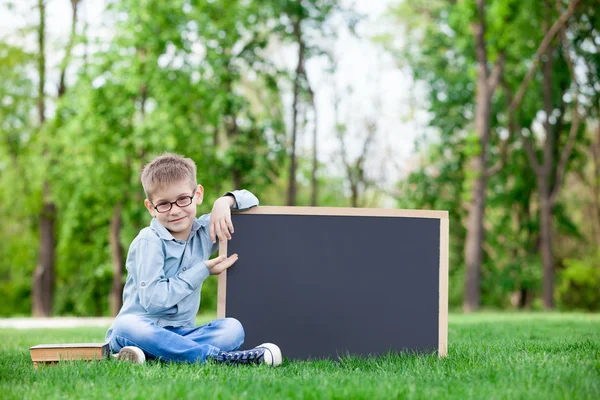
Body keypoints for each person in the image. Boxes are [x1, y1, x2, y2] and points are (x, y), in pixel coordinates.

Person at [105, 153, 282, 366]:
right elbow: (154, 301)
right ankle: (215, 358)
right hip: (142, 329)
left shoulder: (205, 232)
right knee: (126, 326)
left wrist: (224, 201)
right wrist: (202, 270)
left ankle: (157, 355)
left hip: (183, 334)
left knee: (232, 329)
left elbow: (252, 199)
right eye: (164, 204)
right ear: (151, 208)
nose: (175, 210)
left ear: (197, 194)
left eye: (182, 199)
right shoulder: (149, 241)